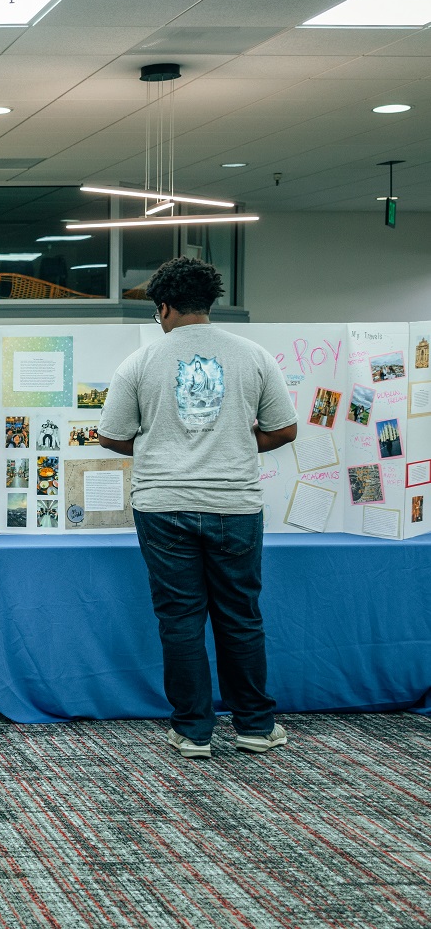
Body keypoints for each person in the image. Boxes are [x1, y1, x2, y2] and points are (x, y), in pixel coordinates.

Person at [97, 258, 297, 760]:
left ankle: (193, 733)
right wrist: (239, 440)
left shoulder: (141, 362)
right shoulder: (253, 355)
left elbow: (111, 435)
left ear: (163, 307)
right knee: (241, 616)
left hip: (163, 506)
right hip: (235, 503)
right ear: (209, 303)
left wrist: (155, 446)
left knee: (180, 619)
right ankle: (254, 726)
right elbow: (286, 429)